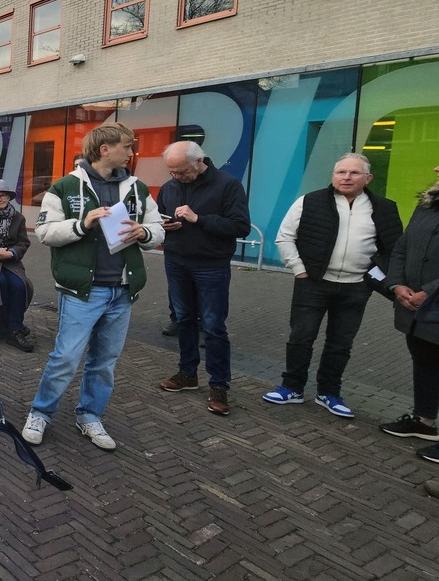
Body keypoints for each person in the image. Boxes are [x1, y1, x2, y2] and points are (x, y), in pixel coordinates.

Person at [21, 122, 164, 451]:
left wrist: (145, 234)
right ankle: (41, 412)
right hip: (82, 291)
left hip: (122, 290)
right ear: (105, 149)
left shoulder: (137, 187)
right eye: (127, 146)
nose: (132, 152)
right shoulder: (66, 187)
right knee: (66, 357)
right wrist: (82, 224)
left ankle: (90, 416)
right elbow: (44, 232)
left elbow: (157, 228)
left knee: (104, 361)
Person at [263, 153, 401, 418]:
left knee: (340, 343)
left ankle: (329, 393)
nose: (346, 177)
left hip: (357, 287)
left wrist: (381, 280)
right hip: (313, 284)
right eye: (341, 172)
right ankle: (291, 387)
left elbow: (395, 249)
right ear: (333, 176)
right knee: (301, 337)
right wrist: (299, 269)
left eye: (354, 173)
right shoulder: (309, 201)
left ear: (368, 178)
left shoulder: (384, 208)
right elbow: (285, 237)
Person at [155, 141, 251, 416]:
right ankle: (187, 374)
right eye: (171, 171)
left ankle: (219, 385)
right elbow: (158, 221)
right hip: (176, 261)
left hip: (211, 265)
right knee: (183, 319)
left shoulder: (227, 185)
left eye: (182, 171)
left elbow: (240, 226)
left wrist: (199, 219)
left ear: (199, 162)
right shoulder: (169, 187)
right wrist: (165, 227)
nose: (176, 177)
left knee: (213, 325)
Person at [378, 162, 439, 470]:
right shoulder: (427, 204)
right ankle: (424, 420)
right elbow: (401, 247)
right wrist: (396, 283)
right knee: (424, 358)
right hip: (415, 305)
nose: (437, 168)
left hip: (432, 301)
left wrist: (429, 291)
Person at [0, 179, 35, 352]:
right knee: (0, 283)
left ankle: (13, 326)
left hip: (10, 261)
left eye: (2, 196)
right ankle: (14, 327)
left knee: (20, 285)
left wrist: (11, 253)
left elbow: (23, 242)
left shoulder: (18, 218)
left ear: (8, 198)